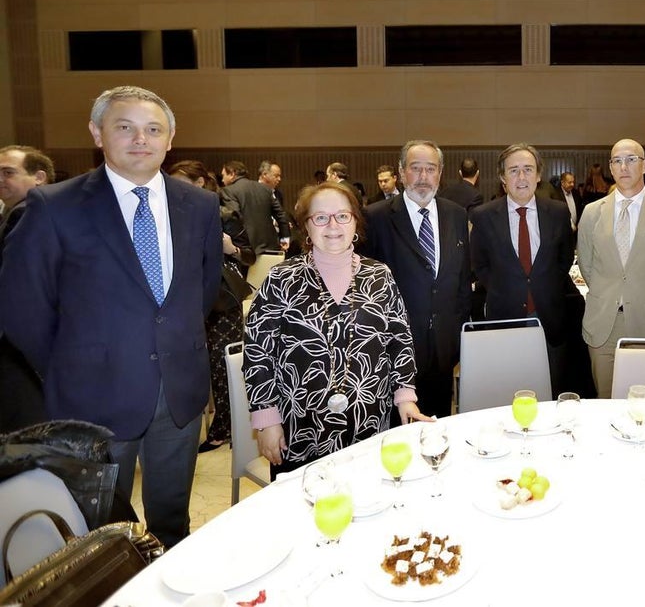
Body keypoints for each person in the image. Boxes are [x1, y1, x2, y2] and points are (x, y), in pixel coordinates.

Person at [0, 85, 222, 548]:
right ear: (97, 134)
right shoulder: (53, 207)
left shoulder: (198, 205)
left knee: (172, 524)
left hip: (178, 394)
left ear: (170, 137)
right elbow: (21, 309)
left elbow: (201, 291)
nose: (140, 139)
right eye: (125, 127)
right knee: (103, 535)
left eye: (153, 129)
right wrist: (73, 367)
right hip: (92, 399)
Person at [244, 181, 430, 479]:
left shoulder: (379, 275)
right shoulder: (281, 278)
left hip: (369, 423)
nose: (333, 225)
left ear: (355, 221)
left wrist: (405, 396)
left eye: (342, 216)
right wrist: (266, 420)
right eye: (320, 217)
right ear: (306, 226)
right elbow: (257, 353)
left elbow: (399, 340)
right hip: (300, 428)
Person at [362, 140, 471, 418]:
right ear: (401, 172)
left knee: (438, 429)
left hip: (443, 351)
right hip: (393, 353)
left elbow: (461, 283)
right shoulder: (376, 218)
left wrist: (457, 336)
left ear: (440, 173)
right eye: (415, 168)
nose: (423, 177)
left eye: (430, 169)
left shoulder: (456, 215)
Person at [578, 138, 645, 398]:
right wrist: (611, 291)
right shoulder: (592, 213)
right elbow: (586, 264)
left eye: (631, 159)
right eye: (617, 161)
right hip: (604, 323)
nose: (623, 166)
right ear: (611, 168)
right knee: (606, 402)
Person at [470, 144, 576, 394]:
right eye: (513, 170)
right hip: (504, 318)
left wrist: (542, 285)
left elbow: (564, 260)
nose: (521, 177)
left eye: (528, 169)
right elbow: (480, 265)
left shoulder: (558, 213)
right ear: (502, 178)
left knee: (551, 396)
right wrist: (507, 288)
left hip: (549, 320)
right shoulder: (483, 216)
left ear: (538, 175)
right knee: (507, 395)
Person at [168, 159, 256, 453]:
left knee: (222, 368)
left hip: (221, 301)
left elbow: (250, 256)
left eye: (181, 181)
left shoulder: (225, 214)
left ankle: (225, 428)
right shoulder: (167, 217)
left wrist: (230, 247)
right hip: (182, 302)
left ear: (200, 183)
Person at [0, 144, 55, 432]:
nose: (0, 180)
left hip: (21, 347)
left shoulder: (27, 213)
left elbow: (19, 285)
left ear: (39, 177)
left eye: (8, 172)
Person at [221, 160, 290, 254]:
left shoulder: (228, 191)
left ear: (232, 174)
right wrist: (284, 238)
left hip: (247, 249)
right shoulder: (265, 188)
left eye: (223, 175)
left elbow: (234, 219)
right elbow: (281, 215)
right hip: (271, 247)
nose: (222, 180)